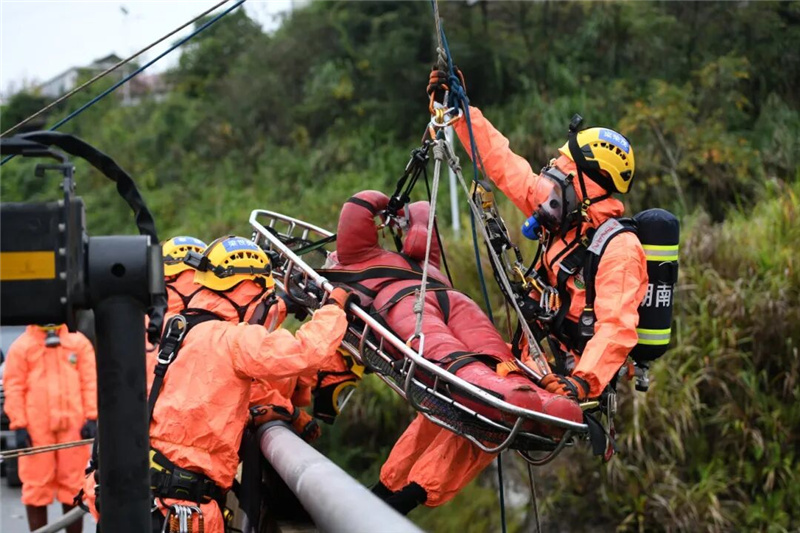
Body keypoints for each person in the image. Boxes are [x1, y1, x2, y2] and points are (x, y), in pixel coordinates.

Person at [321, 190, 582, 513]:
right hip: (416, 302)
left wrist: (397, 206)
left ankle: (529, 394)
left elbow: (383, 212)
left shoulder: (383, 260)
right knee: (460, 362)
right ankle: (515, 393)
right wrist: (398, 208)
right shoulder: (370, 260)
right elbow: (368, 209)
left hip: (430, 301)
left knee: (488, 359)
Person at [427, 68, 648, 402]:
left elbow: (616, 326)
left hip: (565, 384)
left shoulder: (620, 250)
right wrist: (461, 114)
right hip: (530, 365)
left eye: (564, 170)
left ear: (591, 183)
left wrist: (581, 383)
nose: (551, 178)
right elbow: (503, 164)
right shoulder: (562, 215)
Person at [143, 235, 349, 532]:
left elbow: (201, 400)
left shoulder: (174, 328)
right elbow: (304, 352)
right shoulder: (234, 340)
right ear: (248, 290)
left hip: (146, 496)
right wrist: (334, 308)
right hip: (185, 507)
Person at [4, 324, 97, 533]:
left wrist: (91, 417)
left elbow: (90, 381)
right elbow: (14, 386)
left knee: (75, 486)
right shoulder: (22, 347)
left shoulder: (78, 343)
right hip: (36, 429)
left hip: (73, 428)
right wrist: (19, 425)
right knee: (36, 487)